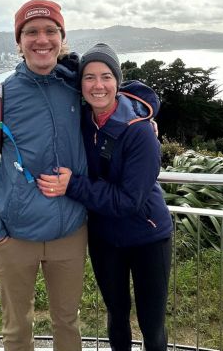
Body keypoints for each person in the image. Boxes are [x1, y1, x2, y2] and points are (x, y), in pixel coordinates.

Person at [0, 0, 88, 351]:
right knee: (17, 330)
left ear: (62, 39)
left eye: (51, 31)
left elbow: (119, 95)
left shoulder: (77, 88)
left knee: (68, 322)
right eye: (31, 32)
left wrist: (146, 116)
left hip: (70, 230)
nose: (41, 39)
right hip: (14, 236)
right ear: (19, 42)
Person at [38, 42, 173, 351]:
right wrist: (64, 57)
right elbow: (56, 76)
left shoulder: (139, 131)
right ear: (80, 83)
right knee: (116, 314)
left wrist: (74, 185)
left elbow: (128, 201)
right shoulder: (82, 121)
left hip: (148, 237)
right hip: (104, 238)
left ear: (118, 82)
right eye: (89, 77)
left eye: (106, 77)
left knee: (152, 324)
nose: (98, 85)